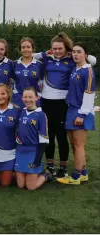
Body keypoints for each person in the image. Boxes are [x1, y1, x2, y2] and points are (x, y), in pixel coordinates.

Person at [32, 32, 97, 178]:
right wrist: (45, 53)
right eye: (54, 49)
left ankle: (63, 167)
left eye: (60, 49)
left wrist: (73, 53)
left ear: (66, 49)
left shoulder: (72, 60)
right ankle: (49, 166)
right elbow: (31, 55)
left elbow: (91, 61)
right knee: (48, 135)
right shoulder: (47, 59)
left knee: (62, 137)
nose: (57, 51)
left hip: (62, 103)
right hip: (46, 102)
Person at [57, 42, 96, 185]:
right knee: (74, 144)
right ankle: (83, 173)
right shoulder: (75, 69)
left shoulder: (88, 71)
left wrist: (82, 114)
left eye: (79, 52)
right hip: (71, 109)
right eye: (73, 52)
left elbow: (89, 94)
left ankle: (75, 177)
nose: (75, 54)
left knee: (79, 145)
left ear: (86, 54)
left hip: (81, 111)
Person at [15, 87, 52, 190]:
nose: (28, 99)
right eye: (25, 97)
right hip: (20, 150)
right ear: (22, 98)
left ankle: (45, 175)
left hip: (33, 152)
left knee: (31, 187)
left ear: (37, 98)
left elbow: (44, 141)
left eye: (30, 97)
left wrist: (37, 160)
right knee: (20, 185)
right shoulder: (21, 112)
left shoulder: (41, 115)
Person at [12, 38, 44, 109]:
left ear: (33, 48)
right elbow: (11, 82)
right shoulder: (14, 64)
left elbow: (41, 83)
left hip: (34, 101)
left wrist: (37, 96)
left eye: (28, 47)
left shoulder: (39, 64)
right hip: (17, 100)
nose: (26, 49)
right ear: (20, 49)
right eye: (23, 47)